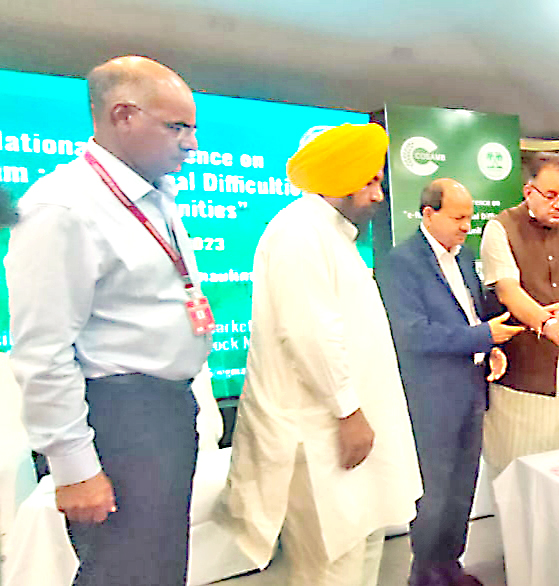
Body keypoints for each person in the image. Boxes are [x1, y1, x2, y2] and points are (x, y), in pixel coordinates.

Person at [6, 55, 210, 585]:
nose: (190, 144)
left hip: (163, 413)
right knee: (125, 573)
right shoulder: (64, 207)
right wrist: (74, 467)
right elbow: (43, 350)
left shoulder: (155, 196)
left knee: (159, 570)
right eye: (177, 127)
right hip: (118, 420)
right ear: (123, 115)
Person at [219, 123, 422, 586]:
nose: (378, 195)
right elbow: (309, 333)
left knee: (362, 551)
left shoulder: (332, 235)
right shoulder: (298, 232)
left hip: (345, 434)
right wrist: (348, 411)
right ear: (339, 177)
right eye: (370, 181)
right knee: (330, 567)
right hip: (321, 434)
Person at [377, 178, 523, 586]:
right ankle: (424, 573)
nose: (466, 226)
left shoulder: (465, 258)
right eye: (458, 218)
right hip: (431, 396)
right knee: (434, 491)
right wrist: (482, 337)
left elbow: (471, 316)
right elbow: (412, 334)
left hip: (471, 388)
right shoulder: (400, 263)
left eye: (469, 218)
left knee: (462, 488)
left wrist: (488, 348)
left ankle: (450, 565)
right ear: (429, 214)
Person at [479, 152, 559, 477]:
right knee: (519, 473)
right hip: (524, 375)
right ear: (528, 191)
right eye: (551, 196)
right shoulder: (500, 228)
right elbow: (508, 290)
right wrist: (547, 323)